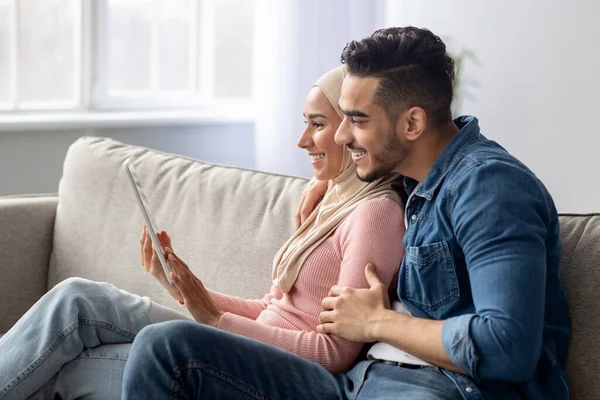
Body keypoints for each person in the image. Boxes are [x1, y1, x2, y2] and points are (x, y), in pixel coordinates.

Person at [122, 26, 570, 400]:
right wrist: (331, 187)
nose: (339, 136)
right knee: (167, 347)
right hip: (361, 381)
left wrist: (379, 321)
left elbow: (509, 344)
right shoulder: (418, 180)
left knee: (165, 346)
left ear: (412, 123)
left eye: (356, 120)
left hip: (437, 388)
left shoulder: (489, 188)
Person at [0, 66, 407, 400]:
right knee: (77, 298)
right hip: (241, 344)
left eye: (318, 125)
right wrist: (186, 289)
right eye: (306, 124)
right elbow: (275, 306)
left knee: (59, 367)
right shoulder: (330, 201)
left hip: (270, 370)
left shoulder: (375, 215)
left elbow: (334, 352)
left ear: (353, 130)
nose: (303, 141)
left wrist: (212, 318)